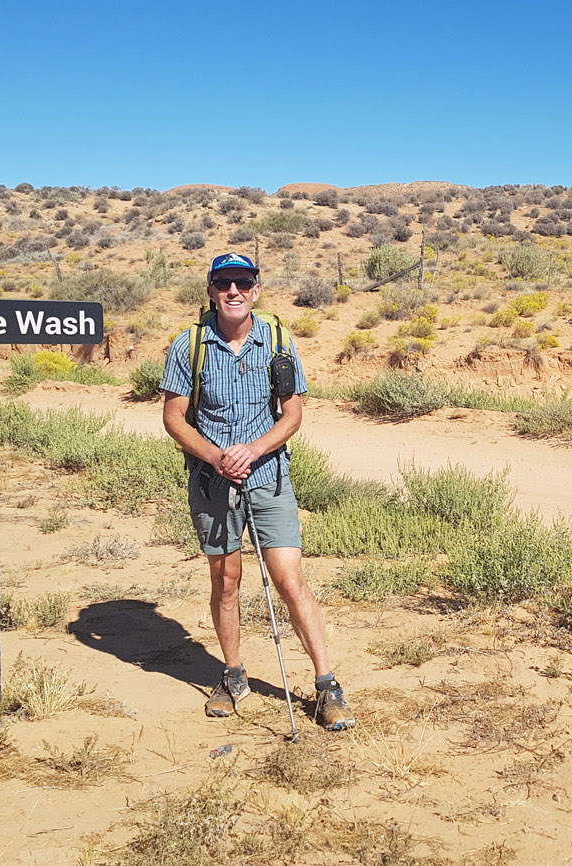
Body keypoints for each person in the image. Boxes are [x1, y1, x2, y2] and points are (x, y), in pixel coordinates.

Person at [160, 252, 355, 731]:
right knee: (226, 582)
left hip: (269, 477)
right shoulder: (189, 345)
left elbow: (292, 413)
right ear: (210, 290)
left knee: (290, 581)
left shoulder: (278, 341)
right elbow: (173, 416)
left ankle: (327, 684)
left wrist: (251, 451)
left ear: (256, 289)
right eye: (223, 283)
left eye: (242, 283)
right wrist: (215, 456)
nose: (233, 291)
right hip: (212, 481)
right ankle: (232, 676)